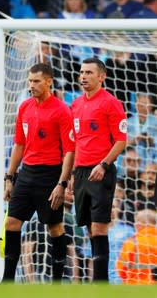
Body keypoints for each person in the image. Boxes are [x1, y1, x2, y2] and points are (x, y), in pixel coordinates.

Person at [3, 63, 75, 282]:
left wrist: (62, 184)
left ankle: (55, 283)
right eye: (29, 81)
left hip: (50, 174)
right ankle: (6, 281)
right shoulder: (24, 107)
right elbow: (19, 144)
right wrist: (9, 176)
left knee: (54, 227)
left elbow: (70, 150)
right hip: (26, 173)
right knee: (12, 223)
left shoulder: (61, 110)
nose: (31, 85)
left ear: (48, 81)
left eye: (36, 81)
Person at [70, 57, 127, 282]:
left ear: (101, 77)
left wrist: (103, 165)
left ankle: (101, 285)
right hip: (81, 172)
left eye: (89, 73)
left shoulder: (111, 103)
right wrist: (71, 176)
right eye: (81, 72)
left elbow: (121, 141)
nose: (83, 76)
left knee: (99, 226)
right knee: (88, 229)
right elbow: (74, 144)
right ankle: (97, 281)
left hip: (101, 171)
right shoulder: (75, 104)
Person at [116, 209, 157, 284]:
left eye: (136, 221)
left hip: (134, 286)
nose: (135, 224)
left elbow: (121, 269)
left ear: (140, 224)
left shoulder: (131, 242)